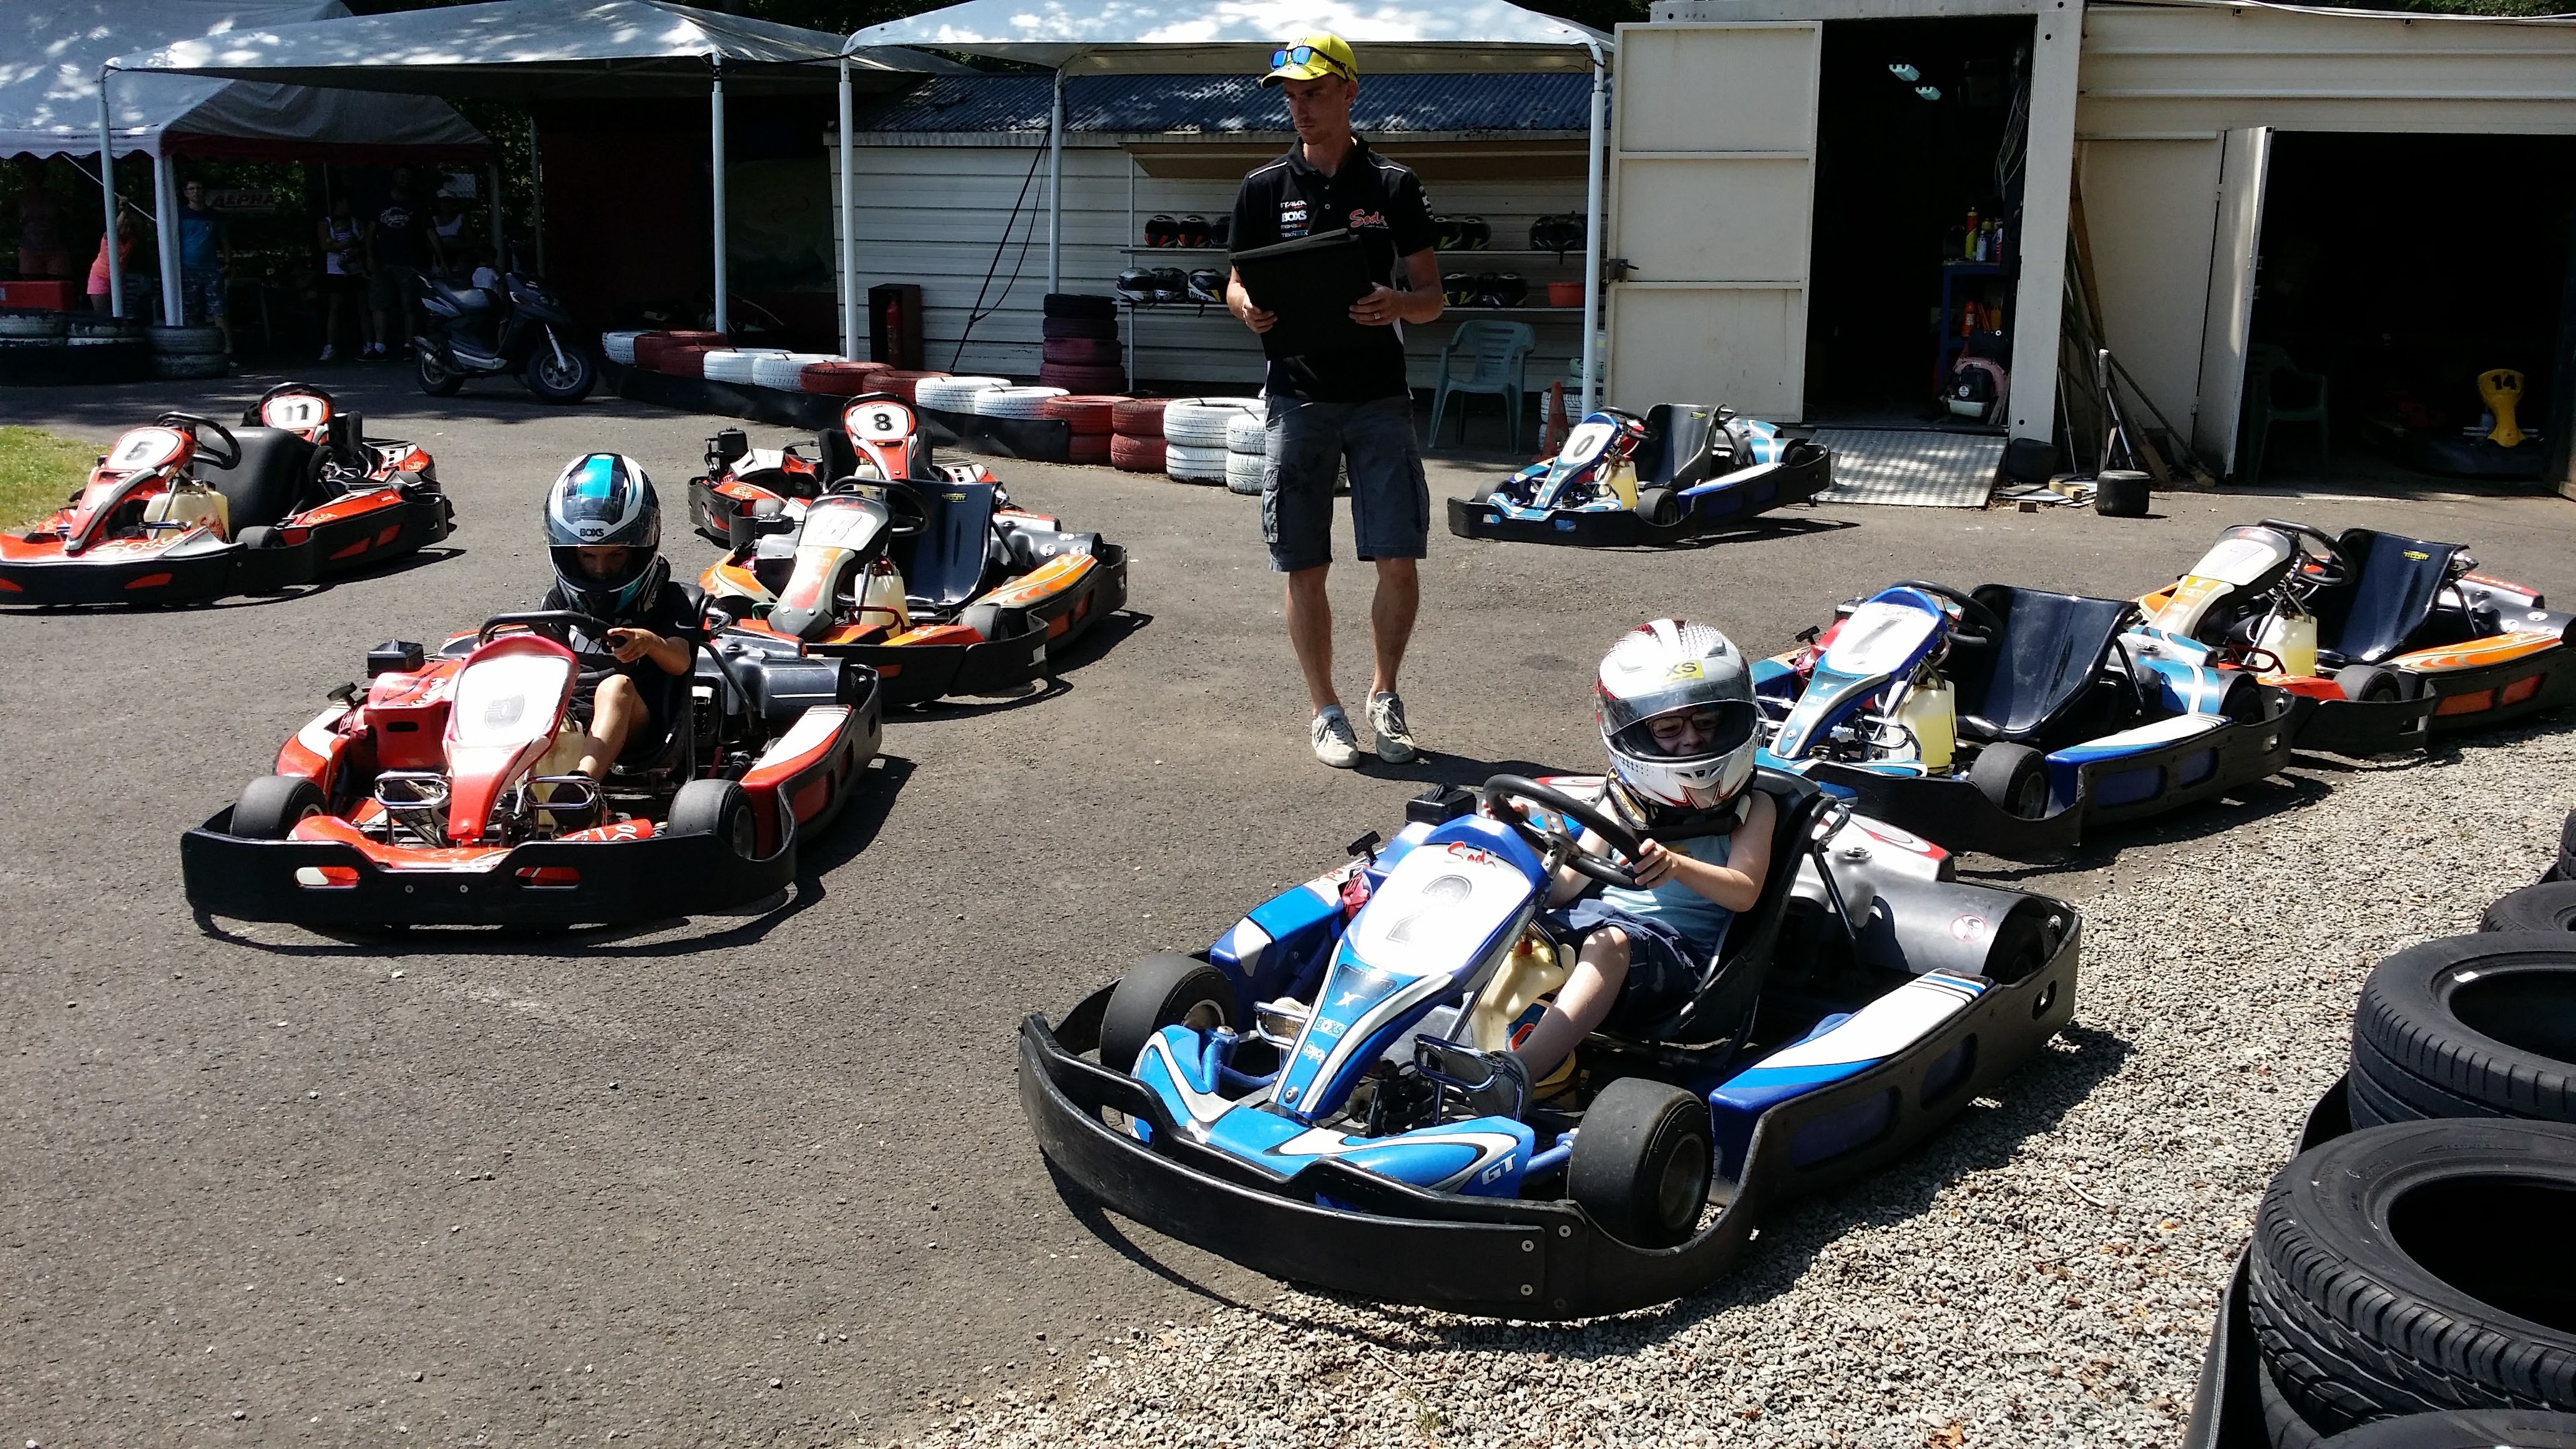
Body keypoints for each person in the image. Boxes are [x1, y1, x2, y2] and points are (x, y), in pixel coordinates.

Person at [1224, 32, 1443, 770]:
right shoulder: (1262, 188)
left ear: (1350, 92)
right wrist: (1245, 308)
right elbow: (1235, 281)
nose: (1301, 108)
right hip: (1297, 397)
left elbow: (1433, 297)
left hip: (1379, 397)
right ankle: (1326, 710)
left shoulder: (1393, 186)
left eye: (1314, 93)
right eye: (1291, 97)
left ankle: (1385, 695)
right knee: (1304, 563)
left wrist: (1398, 304)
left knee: (1398, 560)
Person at [1472, 620, 1777, 1114]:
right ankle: (1426, 1036)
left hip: (1677, 958)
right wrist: (1518, 834)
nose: (1690, 741)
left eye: (1705, 723)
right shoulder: (1626, 801)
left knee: (1609, 943)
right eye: (1669, 728)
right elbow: (1563, 888)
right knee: (1507, 918)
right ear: (1637, 732)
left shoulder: (1754, 807)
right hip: (1595, 925)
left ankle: (1516, 1077)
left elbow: (1744, 892)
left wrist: (1677, 866)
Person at [539, 454, 704, 781]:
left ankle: (581, 786)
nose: (601, 569)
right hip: (568, 719)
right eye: (588, 557)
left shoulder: (667, 598)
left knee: (615, 687)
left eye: (615, 555)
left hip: (638, 727)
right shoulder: (557, 601)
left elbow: (681, 662)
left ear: (640, 547)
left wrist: (650, 642)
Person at [368, 167, 428, 359]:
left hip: (409, 262)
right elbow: (371, 232)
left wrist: (440, 258)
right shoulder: (381, 202)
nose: (404, 179)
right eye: (401, 176)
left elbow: (429, 231)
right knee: (379, 302)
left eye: (407, 176)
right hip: (383, 261)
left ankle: (409, 344)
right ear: (394, 177)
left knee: (409, 304)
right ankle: (379, 346)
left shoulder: (416, 204)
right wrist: (370, 256)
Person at [316, 193, 373, 362]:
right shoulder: (325, 223)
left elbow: (365, 242)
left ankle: (369, 344)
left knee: (363, 307)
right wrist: (346, 245)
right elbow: (325, 246)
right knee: (335, 308)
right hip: (336, 271)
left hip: (356, 269)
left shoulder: (356, 222)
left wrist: (357, 251)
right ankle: (330, 346)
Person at [177, 178, 231, 353]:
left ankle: (227, 350)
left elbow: (225, 241)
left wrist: (228, 263)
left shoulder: (214, 216)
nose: (196, 192)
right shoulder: (179, 215)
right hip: (187, 270)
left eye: (199, 188)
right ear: (186, 193)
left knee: (219, 311)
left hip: (211, 270)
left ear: (204, 191)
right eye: (191, 189)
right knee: (192, 313)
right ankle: (198, 351)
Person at [8, 159, 74, 280]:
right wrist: (17, 226)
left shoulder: (54, 195)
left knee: (58, 284)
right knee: (32, 285)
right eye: (32, 172)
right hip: (29, 247)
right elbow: (5, 214)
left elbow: (76, 210)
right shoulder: (19, 196)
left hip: (55, 246)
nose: (35, 176)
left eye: (38, 172)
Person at [85, 211, 135, 313]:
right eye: (125, 227)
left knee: (120, 313)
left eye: (130, 227)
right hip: (100, 277)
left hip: (119, 278)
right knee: (103, 314)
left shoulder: (131, 240)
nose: (128, 230)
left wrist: (128, 211)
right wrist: (123, 213)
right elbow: (113, 228)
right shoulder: (108, 238)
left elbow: (139, 225)